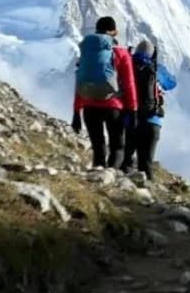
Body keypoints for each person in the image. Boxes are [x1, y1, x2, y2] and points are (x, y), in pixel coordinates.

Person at [71, 16, 137, 169]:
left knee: (98, 148)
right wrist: (133, 110)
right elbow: (129, 83)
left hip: (89, 106)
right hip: (113, 106)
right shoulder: (120, 53)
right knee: (117, 147)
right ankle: (111, 179)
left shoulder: (87, 52)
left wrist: (76, 111)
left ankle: (97, 182)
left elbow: (80, 80)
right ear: (114, 32)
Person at [124, 39, 170, 180]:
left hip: (130, 120)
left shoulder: (128, 66)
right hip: (152, 122)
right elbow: (172, 82)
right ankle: (148, 196)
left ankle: (126, 190)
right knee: (146, 163)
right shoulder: (155, 69)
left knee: (125, 160)